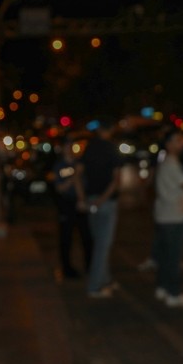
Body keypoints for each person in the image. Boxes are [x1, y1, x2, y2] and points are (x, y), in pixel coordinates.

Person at [151, 128, 183, 308]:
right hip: (174, 215)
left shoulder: (166, 161)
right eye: (178, 140)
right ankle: (173, 294)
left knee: (166, 256)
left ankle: (162, 288)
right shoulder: (172, 164)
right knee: (174, 258)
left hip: (165, 214)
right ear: (169, 144)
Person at [74, 118, 122, 298]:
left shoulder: (88, 148)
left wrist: (82, 198)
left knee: (100, 243)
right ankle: (94, 287)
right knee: (103, 245)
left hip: (90, 200)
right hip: (106, 203)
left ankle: (105, 279)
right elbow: (116, 180)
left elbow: (77, 175)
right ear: (110, 130)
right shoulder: (112, 149)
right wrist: (102, 200)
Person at [51, 134, 93, 279]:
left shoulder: (79, 163)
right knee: (66, 237)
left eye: (71, 146)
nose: (70, 149)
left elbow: (83, 183)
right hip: (66, 203)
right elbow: (60, 188)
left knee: (86, 236)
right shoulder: (60, 166)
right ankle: (67, 268)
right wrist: (73, 177)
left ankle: (89, 266)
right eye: (67, 146)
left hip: (79, 202)